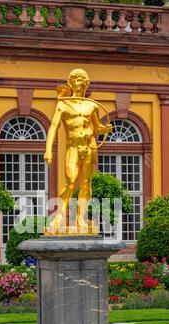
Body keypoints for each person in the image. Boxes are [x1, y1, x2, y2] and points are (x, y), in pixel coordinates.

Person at [44, 68, 112, 231]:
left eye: (82, 80)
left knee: (86, 184)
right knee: (71, 181)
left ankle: (81, 219)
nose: (78, 83)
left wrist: (105, 129)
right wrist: (48, 150)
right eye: (75, 79)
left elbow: (97, 128)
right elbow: (53, 127)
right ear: (70, 83)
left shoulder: (92, 106)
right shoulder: (63, 104)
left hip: (90, 147)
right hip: (73, 147)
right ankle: (59, 216)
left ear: (87, 83)